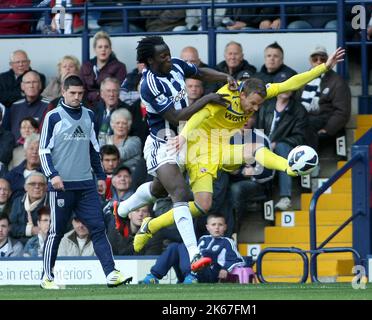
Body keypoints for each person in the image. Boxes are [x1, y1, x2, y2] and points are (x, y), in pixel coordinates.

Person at [129, 47, 345, 258]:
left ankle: (287, 167)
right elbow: (201, 115)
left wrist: (323, 68)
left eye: (259, 105)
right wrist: (184, 136)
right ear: (242, 95)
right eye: (252, 104)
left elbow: (290, 83)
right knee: (193, 200)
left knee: (252, 150)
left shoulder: (258, 90)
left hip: (221, 147)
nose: (255, 109)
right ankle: (151, 224)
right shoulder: (226, 96)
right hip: (198, 149)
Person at [115, 35, 237, 272]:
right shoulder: (149, 85)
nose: (169, 58)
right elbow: (175, 116)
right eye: (163, 56)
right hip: (163, 144)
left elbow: (200, 72)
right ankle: (194, 254)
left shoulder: (176, 65)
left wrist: (226, 76)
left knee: (157, 190)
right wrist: (208, 98)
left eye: (169, 53)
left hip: (186, 140)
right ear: (150, 60)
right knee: (179, 191)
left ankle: (119, 209)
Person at [39, 75, 131, 289]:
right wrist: (52, 175)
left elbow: (94, 149)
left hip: (86, 185)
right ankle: (46, 277)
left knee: (98, 228)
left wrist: (100, 177)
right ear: (63, 92)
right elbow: (43, 150)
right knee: (56, 232)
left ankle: (111, 274)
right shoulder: (53, 117)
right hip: (61, 186)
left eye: (80, 93)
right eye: (72, 93)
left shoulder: (89, 115)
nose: (77, 97)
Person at [142, 213, 245, 284]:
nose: (217, 228)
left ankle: (192, 276)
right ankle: (153, 276)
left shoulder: (227, 241)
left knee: (182, 246)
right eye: (213, 225)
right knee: (174, 247)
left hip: (209, 274)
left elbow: (237, 259)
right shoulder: (203, 239)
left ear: (225, 227)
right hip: (191, 271)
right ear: (207, 227)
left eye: (220, 225)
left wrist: (225, 269)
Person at [256, 86, 308, 210]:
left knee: (282, 148)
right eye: (282, 85)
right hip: (264, 145)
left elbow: (300, 137)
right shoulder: (266, 105)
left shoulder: (299, 110)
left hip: (287, 147)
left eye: (288, 85)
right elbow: (258, 129)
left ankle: (286, 197)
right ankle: (263, 199)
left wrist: (276, 143)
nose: (285, 88)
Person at [297, 46, 351, 151]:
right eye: (315, 59)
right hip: (302, 118)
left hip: (322, 120)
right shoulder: (303, 78)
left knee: (305, 125)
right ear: (310, 61)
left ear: (328, 60)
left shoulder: (337, 81)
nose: (318, 62)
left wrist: (328, 129)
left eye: (322, 59)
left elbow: (343, 111)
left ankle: (310, 163)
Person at [80, 31, 127, 105]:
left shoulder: (120, 67)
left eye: (106, 47)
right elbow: (81, 89)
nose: (103, 50)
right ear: (95, 49)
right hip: (86, 105)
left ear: (110, 49)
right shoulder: (86, 66)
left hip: (108, 105)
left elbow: (117, 92)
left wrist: (94, 95)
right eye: (100, 47)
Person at [2, 70, 49, 142]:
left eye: (34, 82)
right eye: (28, 82)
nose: (31, 85)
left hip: (37, 150)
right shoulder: (14, 106)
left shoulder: (49, 106)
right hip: (15, 149)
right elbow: (6, 132)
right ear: (22, 86)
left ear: (40, 85)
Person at [9, 172, 48, 244]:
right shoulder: (17, 201)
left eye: (41, 184)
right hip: (18, 244)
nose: (37, 187)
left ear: (46, 187)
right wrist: (30, 230)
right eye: (33, 184)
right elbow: (11, 227)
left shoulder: (51, 203)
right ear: (25, 187)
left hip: (43, 244)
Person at [5, 133, 42, 201]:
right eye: (31, 148)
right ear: (25, 152)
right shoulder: (13, 174)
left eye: (38, 149)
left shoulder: (47, 174)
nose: (34, 152)